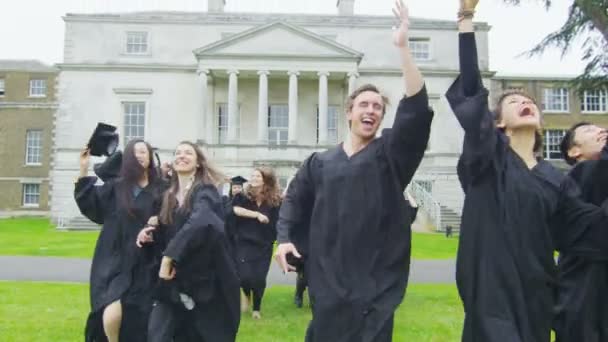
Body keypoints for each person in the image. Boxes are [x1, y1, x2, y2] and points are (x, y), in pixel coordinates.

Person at [446, 1, 608, 341]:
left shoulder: (556, 180)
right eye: (513, 102)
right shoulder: (487, 161)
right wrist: (465, 20)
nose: (525, 101)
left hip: (537, 295)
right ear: (499, 123)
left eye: (529, 101)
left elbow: (590, 228)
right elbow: (472, 95)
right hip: (490, 292)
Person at [274, 1, 434, 340]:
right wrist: (284, 240)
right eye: (364, 104)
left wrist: (402, 47)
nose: (372, 110)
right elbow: (293, 203)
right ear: (348, 112)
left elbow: (417, 112)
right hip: (327, 284)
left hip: (373, 288)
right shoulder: (319, 163)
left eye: (378, 107)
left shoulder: (389, 157)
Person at [137, 141, 240, 342]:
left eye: (188, 153)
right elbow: (168, 228)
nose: (182, 156)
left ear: (198, 163)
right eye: (178, 153)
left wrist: (169, 256)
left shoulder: (206, 191)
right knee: (158, 335)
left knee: (201, 335)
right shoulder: (167, 195)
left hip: (204, 281)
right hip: (172, 282)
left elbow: (202, 220)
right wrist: (150, 233)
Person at [75, 137, 164, 342]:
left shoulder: (162, 188)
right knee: (110, 305)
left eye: (144, 151)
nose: (139, 155)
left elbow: (171, 218)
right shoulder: (117, 186)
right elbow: (91, 204)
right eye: (135, 152)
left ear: (151, 157)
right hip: (113, 257)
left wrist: (155, 224)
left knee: (138, 313)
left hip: (147, 258)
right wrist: (83, 169)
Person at [553, 123, 608, 342]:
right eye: (589, 131)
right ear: (574, 151)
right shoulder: (576, 177)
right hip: (583, 281)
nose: (600, 131)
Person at [232, 167, 281, 319]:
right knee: (244, 277)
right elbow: (234, 210)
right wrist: (256, 214)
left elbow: (280, 221)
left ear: (266, 179)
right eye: (252, 175)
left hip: (264, 244)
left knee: (259, 278)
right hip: (244, 242)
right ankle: (246, 294)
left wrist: (282, 241)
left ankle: (256, 309)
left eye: (257, 176)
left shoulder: (275, 200)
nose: (254, 178)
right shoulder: (243, 196)